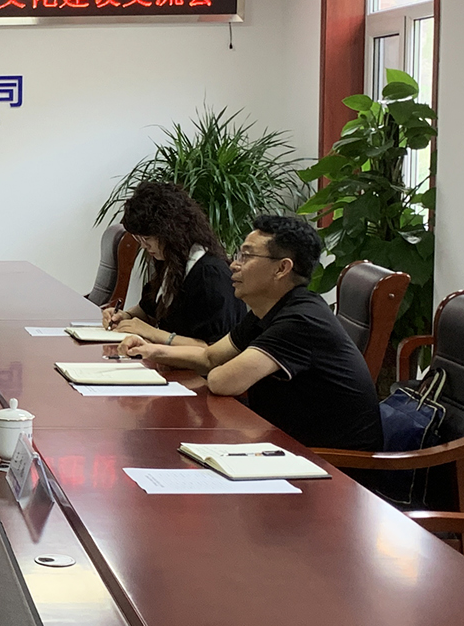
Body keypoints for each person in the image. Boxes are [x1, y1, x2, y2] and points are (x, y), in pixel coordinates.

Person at [121, 214, 383, 452]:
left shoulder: (301, 320)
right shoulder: (266, 310)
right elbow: (210, 357)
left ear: (282, 268)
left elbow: (223, 381)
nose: (234, 265)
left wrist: (217, 367)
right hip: (285, 444)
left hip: (334, 465)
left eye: (246, 257)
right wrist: (150, 349)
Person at [100, 182, 243, 345]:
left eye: (147, 239)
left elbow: (213, 349)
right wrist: (125, 317)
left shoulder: (209, 275)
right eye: (138, 239)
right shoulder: (171, 263)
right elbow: (148, 311)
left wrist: (153, 334)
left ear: (171, 232)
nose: (144, 246)